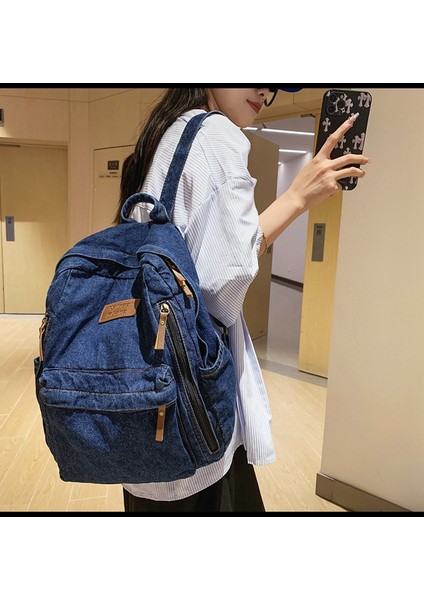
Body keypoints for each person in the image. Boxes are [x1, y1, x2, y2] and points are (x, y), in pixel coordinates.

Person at [115, 88, 370, 513]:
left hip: (146, 402)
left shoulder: (165, 132)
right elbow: (222, 289)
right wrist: (296, 198)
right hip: (191, 414)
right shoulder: (217, 135)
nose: (266, 91)